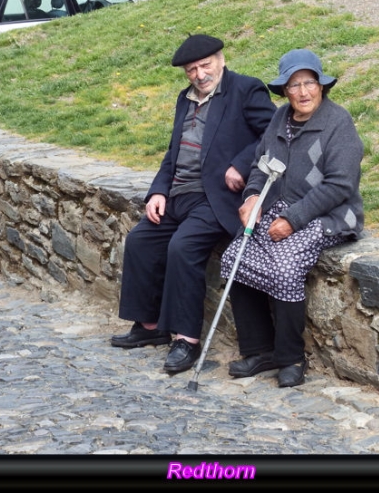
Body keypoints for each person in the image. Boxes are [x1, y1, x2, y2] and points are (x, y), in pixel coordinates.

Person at [110, 34, 277, 375]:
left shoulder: (246, 89)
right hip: (178, 194)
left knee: (182, 247)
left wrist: (241, 164)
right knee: (140, 241)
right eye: (191, 70)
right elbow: (173, 152)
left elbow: (272, 134)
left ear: (221, 60)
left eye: (205, 65)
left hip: (214, 197)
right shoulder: (184, 100)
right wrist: (158, 191)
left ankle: (186, 340)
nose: (200, 75)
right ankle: (151, 326)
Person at [220, 48, 364, 388]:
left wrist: (293, 219)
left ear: (321, 86)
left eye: (309, 83)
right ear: (285, 89)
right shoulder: (280, 118)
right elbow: (261, 164)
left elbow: (340, 185)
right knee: (234, 258)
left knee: (284, 267)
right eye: (295, 85)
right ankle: (259, 350)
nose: (303, 92)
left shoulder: (337, 124)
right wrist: (252, 197)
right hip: (279, 207)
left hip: (327, 215)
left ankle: (290, 358)